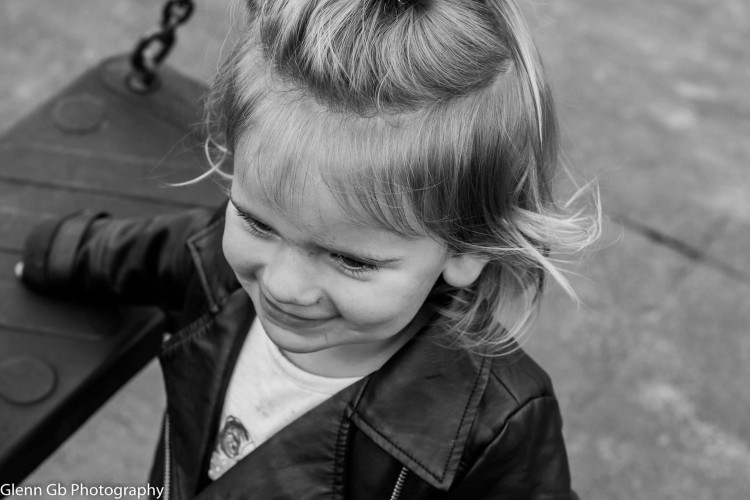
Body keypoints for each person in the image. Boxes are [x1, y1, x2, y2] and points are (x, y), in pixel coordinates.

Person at [18, 0, 600, 497]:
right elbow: (135, 255)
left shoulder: (495, 423)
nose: (281, 285)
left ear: (469, 246)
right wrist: (55, 251)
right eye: (257, 223)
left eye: (351, 260)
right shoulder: (210, 258)